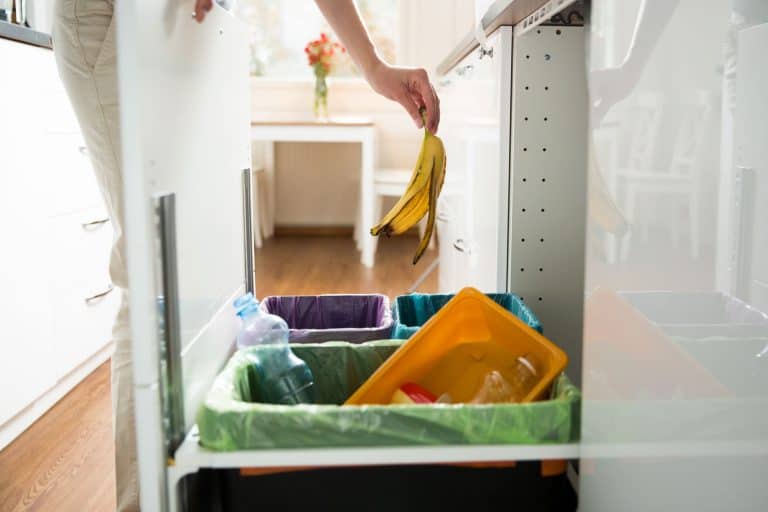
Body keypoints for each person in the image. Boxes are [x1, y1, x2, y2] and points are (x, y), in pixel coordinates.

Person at [52, 1, 440, 510]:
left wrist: (373, 68)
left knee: (204, 256)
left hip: (188, 20)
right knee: (152, 267)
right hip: (116, 15)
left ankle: (204, 479)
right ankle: (145, 500)